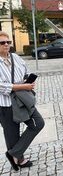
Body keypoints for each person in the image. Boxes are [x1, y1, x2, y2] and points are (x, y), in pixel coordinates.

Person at [0, 31, 45, 171]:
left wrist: (27, 80)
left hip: (23, 100)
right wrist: (22, 86)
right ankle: (18, 160)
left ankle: (12, 154)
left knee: (38, 123)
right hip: (6, 104)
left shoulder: (15, 57)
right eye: (2, 43)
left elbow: (25, 70)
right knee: (12, 134)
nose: (6, 44)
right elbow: (1, 86)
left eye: (8, 42)